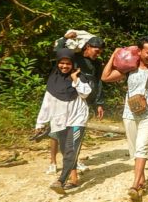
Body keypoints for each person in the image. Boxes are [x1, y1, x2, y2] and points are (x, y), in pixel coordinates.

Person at [101, 36, 148, 201]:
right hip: (129, 114)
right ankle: (142, 178)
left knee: (142, 147)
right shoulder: (129, 67)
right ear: (139, 51)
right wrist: (114, 55)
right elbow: (105, 77)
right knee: (134, 149)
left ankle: (135, 184)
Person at [34, 48, 92, 194]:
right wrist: (40, 123)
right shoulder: (53, 80)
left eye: (68, 63)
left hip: (77, 118)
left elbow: (85, 93)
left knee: (71, 149)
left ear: (73, 64)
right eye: (62, 63)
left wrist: (75, 79)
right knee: (65, 150)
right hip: (59, 120)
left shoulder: (79, 77)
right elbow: (46, 103)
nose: (65, 66)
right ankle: (74, 179)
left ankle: (61, 180)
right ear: (57, 63)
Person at [45, 35, 106, 175]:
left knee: (76, 131)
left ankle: (74, 161)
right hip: (63, 95)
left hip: (82, 99)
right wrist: (64, 37)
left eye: (100, 52)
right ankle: (52, 162)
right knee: (56, 129)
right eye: (96, 51)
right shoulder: (75, 57)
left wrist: (99, 103)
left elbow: (98, 83)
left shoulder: (97, 64)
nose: (98, 54)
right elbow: (58, 52)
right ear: (87, 47)